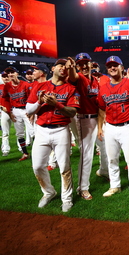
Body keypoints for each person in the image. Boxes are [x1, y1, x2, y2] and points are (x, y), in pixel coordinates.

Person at [26, 58, 80, 212]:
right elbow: (28, 110)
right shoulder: (40, 86)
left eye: (65, 66)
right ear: (53, 69)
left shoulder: (70, 88)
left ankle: (67, 199)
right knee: (37, 166)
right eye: (59, 65)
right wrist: (39, 102)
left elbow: (73, 111)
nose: (62, 68)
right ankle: (49, 192)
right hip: (42, 130)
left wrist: (57, 104)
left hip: (61, 129)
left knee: (64, 167)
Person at [97, 55, 129, 202]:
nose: (112, 68)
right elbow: (101, 108)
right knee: (112, 159)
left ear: (121, 67)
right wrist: (100, 127)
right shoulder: (103, 88)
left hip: (127, 127)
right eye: (109, 66)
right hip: (110, 128)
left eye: (115, 65)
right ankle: (115, 185)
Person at [66, 52, 102, 200]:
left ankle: (104, 171)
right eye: (80, 64)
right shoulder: (79, 78)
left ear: (90, 64)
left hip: (97, 119)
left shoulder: (95, 80)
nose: (83, 66)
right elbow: (72, 77)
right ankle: (83, 188)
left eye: (85, 63)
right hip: (83, 120)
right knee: (86, 155)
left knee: (105, 147)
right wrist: (72, 68)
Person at [2, 66, 33, 161]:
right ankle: (25, 153)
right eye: (8, 73)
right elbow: (6, 99)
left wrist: (31, 112)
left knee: (33, 132)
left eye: (12, 72)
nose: (10, 74)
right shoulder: (7, 86)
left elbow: (31, 99)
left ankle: (36, 152)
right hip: (15, 110)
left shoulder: (25, 84)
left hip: (26, 110)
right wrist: (10, 112)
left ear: (17, 73)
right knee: (20, 134)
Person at [0, 72, 12, 156]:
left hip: (14, 111)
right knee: (5, 132)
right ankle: (5, 150)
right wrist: (1, 107)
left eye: (7, 76)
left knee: (20, 132)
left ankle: (22, 149)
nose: (6, 78)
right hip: (4, 111)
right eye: (4, 77)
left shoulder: (14, 86)